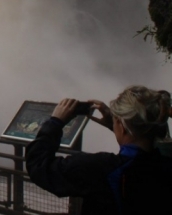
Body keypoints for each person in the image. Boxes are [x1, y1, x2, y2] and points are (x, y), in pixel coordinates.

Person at [26, 85, 172, 215]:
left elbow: (39, 166)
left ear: (122, 126)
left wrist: (55, 122)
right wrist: (115, 125)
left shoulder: (100, 168)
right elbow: (140, 150)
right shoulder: (164, 166)